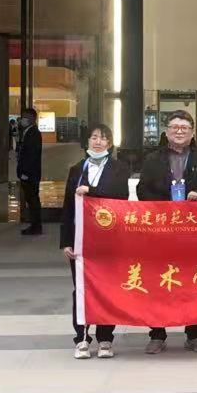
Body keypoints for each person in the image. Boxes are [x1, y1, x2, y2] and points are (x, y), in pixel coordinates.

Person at [136, 110, 197, 354]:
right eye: (175, 127)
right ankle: (157, 334)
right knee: (159, 282)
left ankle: (194, 334)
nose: (179, 131)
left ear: (192, 132)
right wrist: (164, 205)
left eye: (185, 127)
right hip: (162, 230)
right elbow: (142, 191)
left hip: (194, 230)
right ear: (166, 131)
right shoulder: (152, 159)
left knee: (194, 282)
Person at [60, 123, 131, 360]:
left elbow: (119, 196)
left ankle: (105, 338)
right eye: (93, 138)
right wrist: (66, 241)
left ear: (110, 143)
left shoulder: (120, 168)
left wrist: (90, 191)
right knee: (81, 289)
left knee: (107, 288)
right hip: (81, 239)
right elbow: (68, 207)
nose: (98, 142)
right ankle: (81, 338)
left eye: (102, 138)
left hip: (109, 240)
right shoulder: (76, 169)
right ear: (87, 142)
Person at [17, 107, 44, 236]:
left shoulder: (33, 133)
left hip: (30, 174)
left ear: (32, 118)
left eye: (25, 117)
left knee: (32, 199)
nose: (23, 119)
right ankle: (35, 225)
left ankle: (36, 226)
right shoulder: (28, 132)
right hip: (29, 173)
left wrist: (25, 173)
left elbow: (32, 155)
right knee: (31, 199)